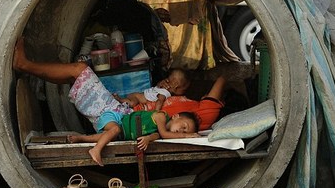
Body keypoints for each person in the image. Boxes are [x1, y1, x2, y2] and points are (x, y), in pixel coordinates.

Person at [13, 38, 200, 166]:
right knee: (75, 75)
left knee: (79, 70)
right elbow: (159, 133)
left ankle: (24, 64)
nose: (182, 131)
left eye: (185, 131)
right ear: (175, 117)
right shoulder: (160, 119)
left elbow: (165, 135)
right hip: (114, 109)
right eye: (184, 126)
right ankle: (27, 66)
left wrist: (190, 137)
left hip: (107, 112)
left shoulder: (163, 127)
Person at [113, 68, 190, 112]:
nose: (183, 92)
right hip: (137, 97)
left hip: (138, 95)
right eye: (183, 90)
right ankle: (118, 99)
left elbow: (157, 87)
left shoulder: (163, 84)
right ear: (176, 86)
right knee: (132, 103)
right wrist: (156, 112)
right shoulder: (165, 92)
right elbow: (159, 101)